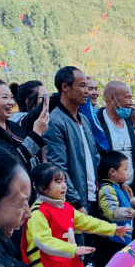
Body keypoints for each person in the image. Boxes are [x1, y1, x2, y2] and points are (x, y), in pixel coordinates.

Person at [24, 162, 129, 267]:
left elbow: (87, 222)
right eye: (58, 182)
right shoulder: (37, 212)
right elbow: (43, 241)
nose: (64, 186)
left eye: (64, 181)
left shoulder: (66, 207)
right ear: (42, 187)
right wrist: (73, 249)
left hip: (65, 266)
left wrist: (112, 229)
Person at [44, 66, 100, 211]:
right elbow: (58, 168)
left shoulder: (84, 120)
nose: (87, 91)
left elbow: (94, 157)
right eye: (82, 86)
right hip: (74, 205)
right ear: (65, 87)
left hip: (93, 198)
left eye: (87, 87)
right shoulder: (55, 122)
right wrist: (76, 203)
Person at [0, 78, 49, 184]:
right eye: (5, 98)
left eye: (12, 98)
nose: (11, 103)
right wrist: (36, 133)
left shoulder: (13, 126)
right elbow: (12, 161)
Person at [95, 81, 135, 206]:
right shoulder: (97, 124)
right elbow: (98, 160)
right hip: (110, 193)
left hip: (134, 189)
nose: (131, 102)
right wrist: (118, 184)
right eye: (127, 97)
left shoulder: (131, 127)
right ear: (113, 99)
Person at [95, 151, 135, 267]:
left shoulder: (118, 187)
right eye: (125, 169)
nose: (128, 173)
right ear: (113, 171)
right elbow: (112, 212)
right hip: (110, 241)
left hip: (121, 239)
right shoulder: (107, 189)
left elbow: (126, 202)